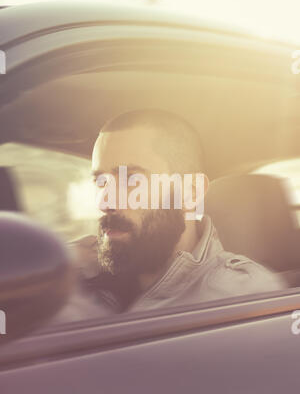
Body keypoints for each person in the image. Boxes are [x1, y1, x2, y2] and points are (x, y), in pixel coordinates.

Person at [61, 109, 285, 321]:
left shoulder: (243, 299)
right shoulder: (64, 272)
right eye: (101, 181)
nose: (104, 201)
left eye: (131, 180)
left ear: (190, 191)